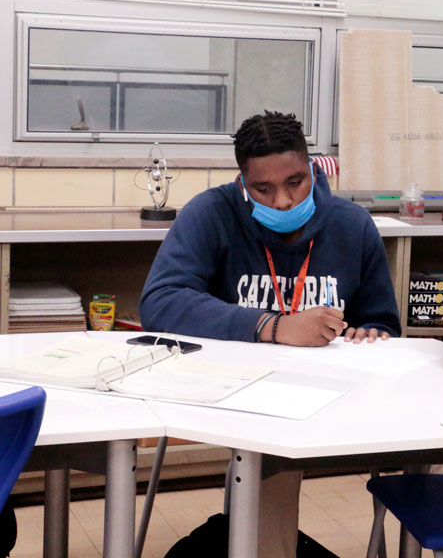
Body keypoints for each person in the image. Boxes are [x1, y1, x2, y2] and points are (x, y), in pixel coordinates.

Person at [141, 110, 401, 558]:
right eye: (264, 189)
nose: (282, 200)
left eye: (296, 182)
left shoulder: (352, 224)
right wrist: (271, 326)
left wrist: (369, 334)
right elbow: (160, 301)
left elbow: (381, 322)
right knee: (272, 456)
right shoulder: (212, 212)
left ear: (313, 168)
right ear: (243, 183)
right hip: (238, 391)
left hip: (333, 391)